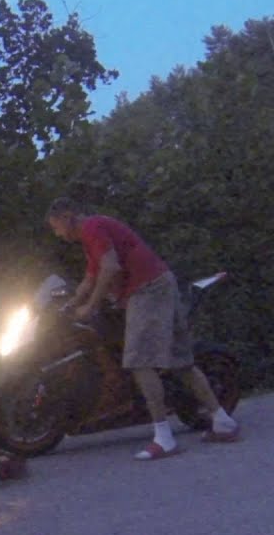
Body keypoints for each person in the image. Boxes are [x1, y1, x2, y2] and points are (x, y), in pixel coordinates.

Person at [45, 189, 239, 460]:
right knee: (181, 362)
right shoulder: (93, 233)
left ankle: (164, 438)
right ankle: (223, 422)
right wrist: (69, 305)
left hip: (147, 290)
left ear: (67, 217)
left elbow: (110, 268)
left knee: (139, 362)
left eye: (56, 227)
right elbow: (91, 277)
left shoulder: (91, 228)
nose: (57, 234)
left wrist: (90, 307)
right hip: (161, 284)